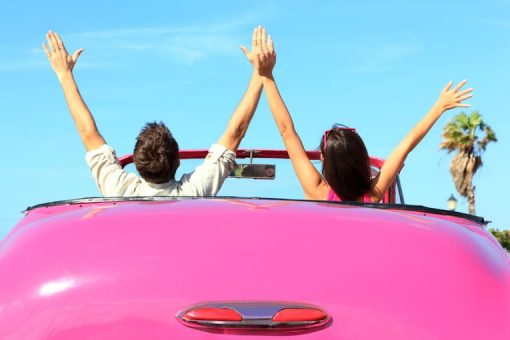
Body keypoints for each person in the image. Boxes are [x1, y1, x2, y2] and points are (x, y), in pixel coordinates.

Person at [254, 27, 473, 202]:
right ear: (361, 159)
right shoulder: (373, 193)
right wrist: (438, 108)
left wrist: (266, 76)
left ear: (324, 161)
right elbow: (406, 145)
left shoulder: (317, 190)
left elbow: (287, 131)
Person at [43, 28, 265, 197]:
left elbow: (87, 133)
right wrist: (260, 73)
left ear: (138, 165)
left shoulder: (120, 191)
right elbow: (236, 132)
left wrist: (65, 76)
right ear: (177, 162)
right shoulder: (191, 193)